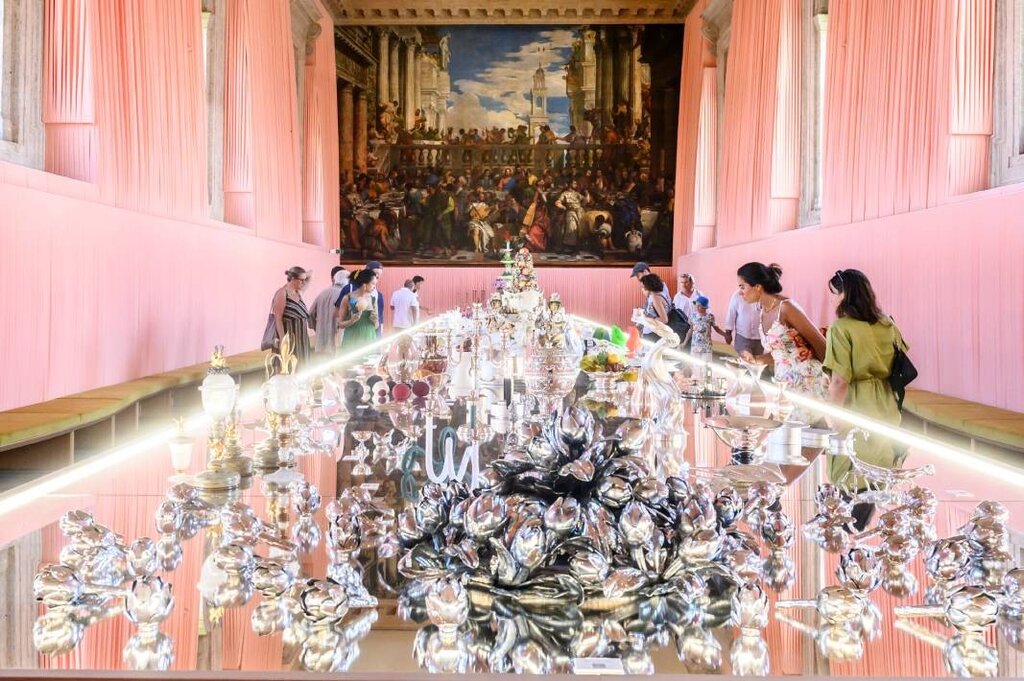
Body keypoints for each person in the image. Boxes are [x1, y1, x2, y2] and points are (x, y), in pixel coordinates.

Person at [823, 269, 909, 487]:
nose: (832, 299)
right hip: (886, 401)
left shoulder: (840, 328)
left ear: (844, 294)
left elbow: (840, 381)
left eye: (834, 293)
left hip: (857, 402)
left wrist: (832, 415)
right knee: (880, 469)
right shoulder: (888, 324)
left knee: (849, 475)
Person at [736, 262, 828, 405]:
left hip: (806, 385)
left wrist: (829, 378)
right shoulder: (763, 311)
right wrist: (755, 359)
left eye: (742, 287)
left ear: (758, 287)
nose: (740, 292)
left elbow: (821, 345)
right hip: (784, 385)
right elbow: (782, 354)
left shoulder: (785, 308)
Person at [270, 266, 313, 366]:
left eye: (304, 280)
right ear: (293, 279)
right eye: (301, 280)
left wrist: (303, 275)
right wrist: (283, 340)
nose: (303, 282)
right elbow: (278, 319)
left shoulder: (298, 292)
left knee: (303, 367)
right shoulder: (282, 293)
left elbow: (311, 274)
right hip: (290, 338)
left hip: (302, 340)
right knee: (289, 367)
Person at [336, 260, 384, 336]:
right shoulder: (349, 289)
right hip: (351, 334)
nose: (377, 276)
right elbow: (338, 314)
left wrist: (376, 323)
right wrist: (352, 320)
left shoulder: (378, 295)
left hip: (370, 335)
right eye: (375, 273)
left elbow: (379, 319)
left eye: (380, 274)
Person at [337, 269, 380, 351]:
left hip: (369, 338)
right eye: (373, 284)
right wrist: (352, 320)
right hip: (352, 339)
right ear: (364, 284)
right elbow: (340, 324)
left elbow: (376, 325)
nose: (374, 287)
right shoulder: (348, 298)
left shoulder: (373, 299)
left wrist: (375, 320)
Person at [309, 266, 348, 356]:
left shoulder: (323, 293)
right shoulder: (344, 296)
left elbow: (310, 313)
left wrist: (317, 329)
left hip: (320, 342)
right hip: (336, 343)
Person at [683, 296, 726, 367]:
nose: (697, 307)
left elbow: (716, 329)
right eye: (696, 305)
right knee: (695, 367)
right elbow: (690, 330)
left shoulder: (710, 317)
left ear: (705, 307)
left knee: (706, 367)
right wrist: (684, 343)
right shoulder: (693, 316)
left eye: (699, 306)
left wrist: (725, 335)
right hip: (695, 347)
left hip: (706, 347)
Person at [723, 289, 764, 357]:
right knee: (745, 361)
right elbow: (731, 313)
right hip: (742, 337)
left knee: (757, 361)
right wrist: (728, 332)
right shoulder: (737, 295)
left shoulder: (762, 294)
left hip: (760, 337)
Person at [639, 273, 671, 342]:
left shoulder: (655, 298)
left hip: (653, 334)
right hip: (653, 332)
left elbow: (664, 319)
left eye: (642, 287)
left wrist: (646, 319)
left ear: (648, 286)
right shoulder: (657, 295)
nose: (641, 290)